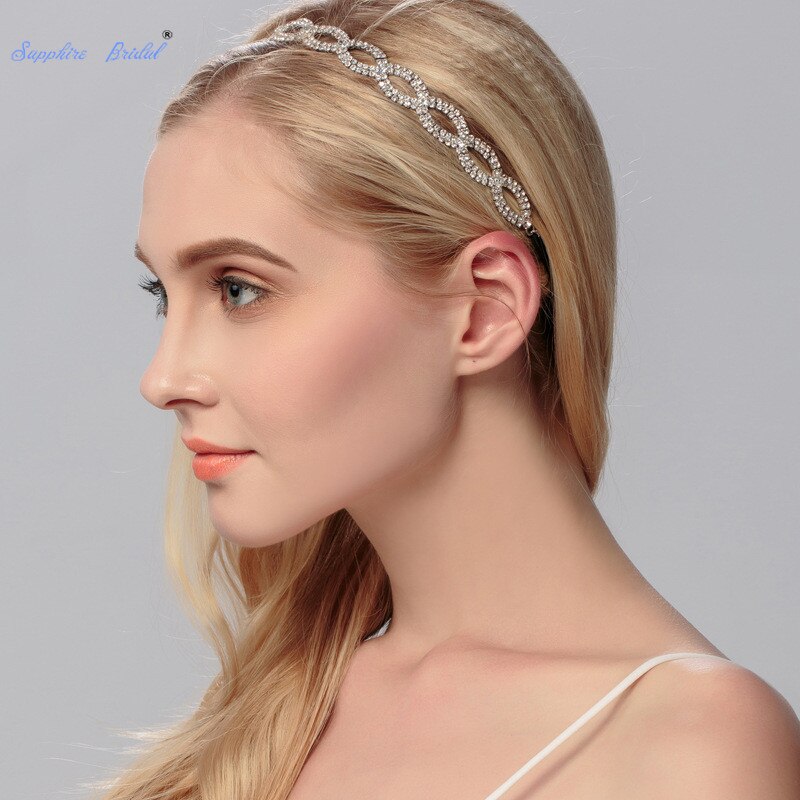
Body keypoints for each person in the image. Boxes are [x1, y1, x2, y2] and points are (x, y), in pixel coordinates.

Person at [91, 0, 800, 798]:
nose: (162, 379)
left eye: (238, 289)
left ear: (485, 307)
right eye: (163, 294)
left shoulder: (692, 749)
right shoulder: (276, 712)